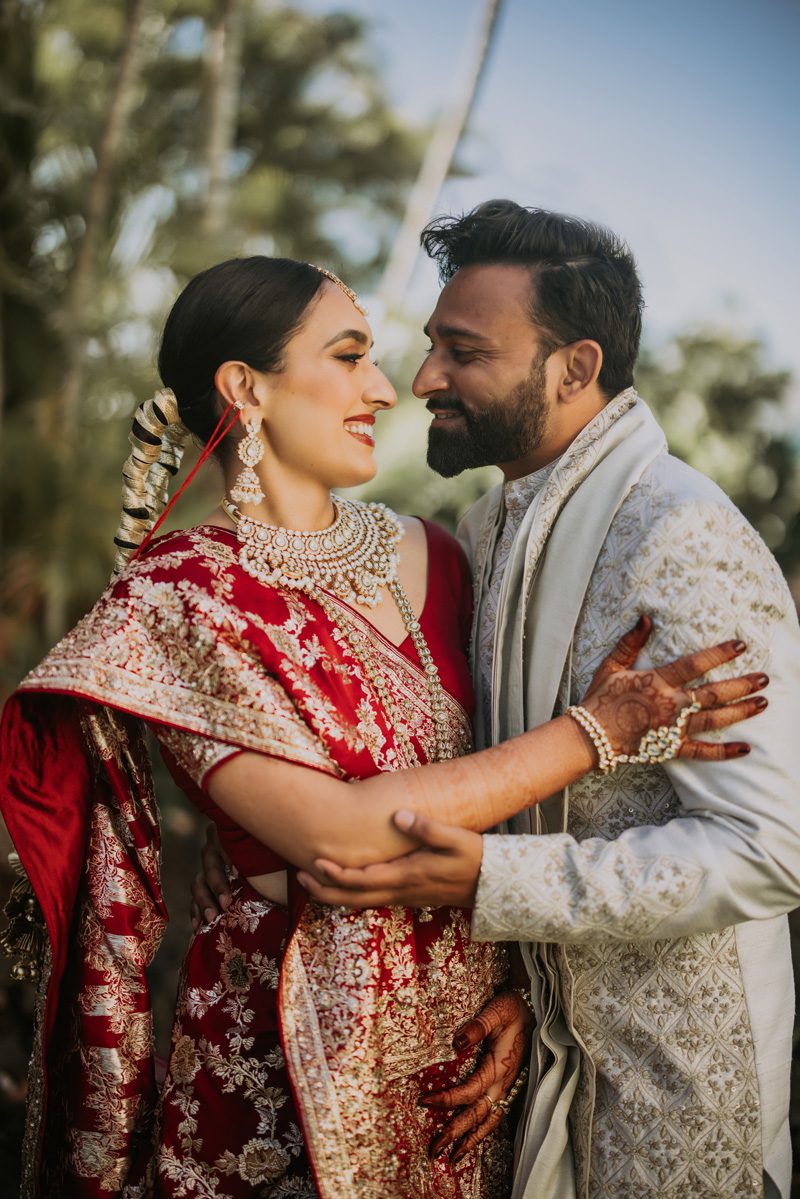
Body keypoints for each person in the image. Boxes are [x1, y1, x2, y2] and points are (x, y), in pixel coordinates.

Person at [0, 256, 765, 1199]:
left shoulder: (445, 555)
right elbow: (342, 834)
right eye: (351, 355)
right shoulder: (175, 600)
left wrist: (526, 992)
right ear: (247, 389)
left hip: (465, 1064)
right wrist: (598, 730)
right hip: (280, 1054)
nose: (386, 386)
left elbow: (504, 807)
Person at [233, 204, 800, 1199]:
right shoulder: (486, 524)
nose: (421, 381)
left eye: (463, 352)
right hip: (528, 1064)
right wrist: (523, 978)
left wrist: (494, 881)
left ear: (573, 368)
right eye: (430, 346)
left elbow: (769, 848)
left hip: (671, 1098)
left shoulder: (679, 533)